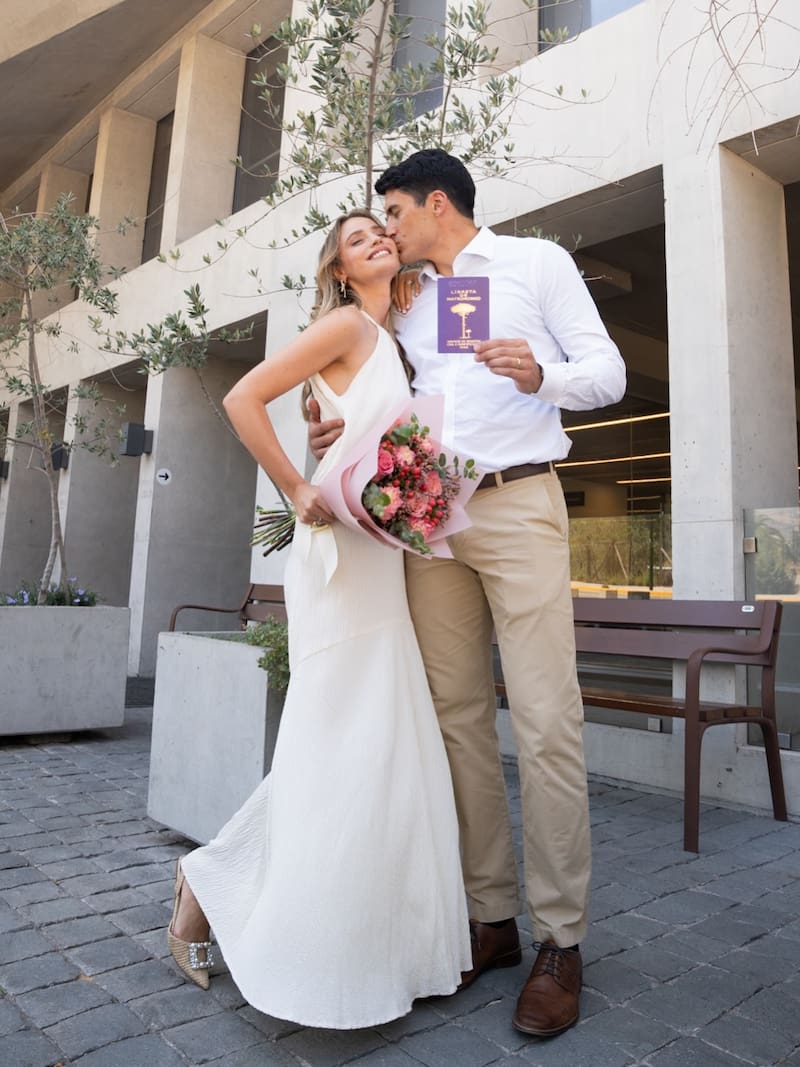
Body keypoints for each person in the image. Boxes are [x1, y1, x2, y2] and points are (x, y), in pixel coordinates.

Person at [309, 149, 626, 1037]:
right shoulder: (406, 299)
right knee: (455, 717)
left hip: (521, 501)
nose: (388, 233)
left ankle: (563, 940)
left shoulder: (535, 265)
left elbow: (610, 374)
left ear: (434, 205)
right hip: (431, 515)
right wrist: (338, 418)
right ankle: (492, 919)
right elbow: (393, 401)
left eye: (395, 216)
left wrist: (543, 375)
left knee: (546, 718)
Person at [166, 209, 471, 1029]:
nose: (377, 240)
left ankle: (379, 944)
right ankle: (211, 884)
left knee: (378, 740)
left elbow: (360, 438)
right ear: (339, 268)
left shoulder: (391, 336)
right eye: (358, 238)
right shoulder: (341, 323)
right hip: (337, 558)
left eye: (384, 232)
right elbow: (240, 396)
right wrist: (296, 487)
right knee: (336, 737)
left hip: (381, 556)